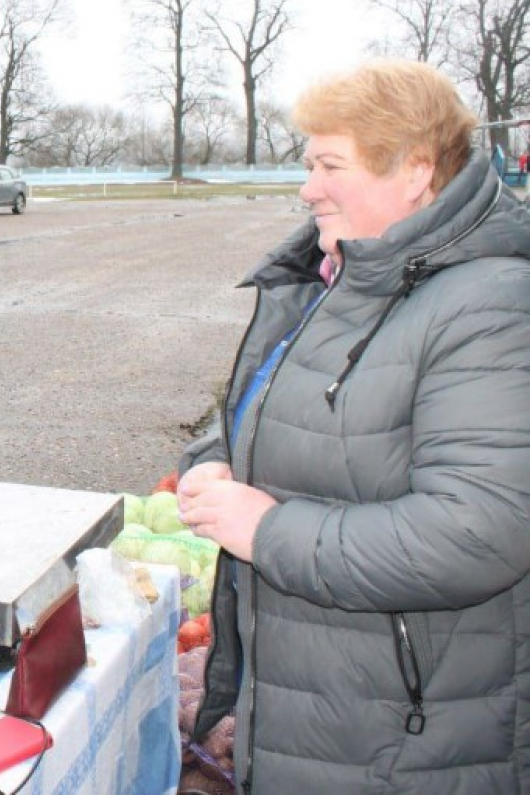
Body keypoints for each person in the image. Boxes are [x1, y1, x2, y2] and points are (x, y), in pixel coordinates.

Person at [176, 59, 530, 794]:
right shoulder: (346, 275)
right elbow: (273, 400)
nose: (308, 188)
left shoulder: (491, 303)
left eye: (330, 164)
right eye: (309, 163)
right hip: (316, 717)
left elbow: (480, 529)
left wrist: (268, 533)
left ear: (415, 170)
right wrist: (217, 456)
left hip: (406, 742)